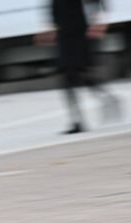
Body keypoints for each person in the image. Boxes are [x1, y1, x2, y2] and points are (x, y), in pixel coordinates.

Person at [38, 0, 121, 134]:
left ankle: (106, 99)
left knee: (77, 77)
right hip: (63, 36)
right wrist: (50, 30)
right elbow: (54, 9)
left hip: (77, 35)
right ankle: (78, 120)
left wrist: (98, 23)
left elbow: (99, 3)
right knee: (69, 80)